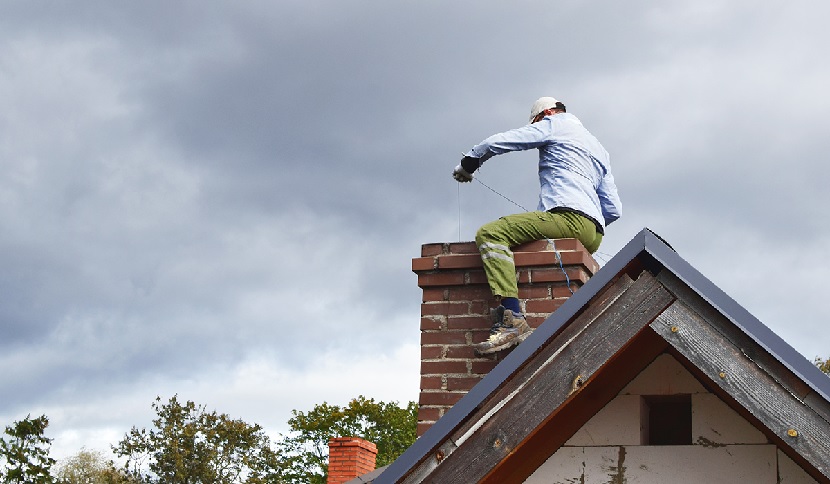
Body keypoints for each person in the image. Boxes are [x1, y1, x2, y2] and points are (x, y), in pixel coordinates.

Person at [452, 97, 621, 355]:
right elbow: (613, 209)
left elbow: (498, 142)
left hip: (568, 218)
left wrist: (469, 163)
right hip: (594, 231)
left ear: (547, 113)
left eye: (537, 121)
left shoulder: (554, 124)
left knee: (491, 233)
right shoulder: (598, 147)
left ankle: (513, 320)